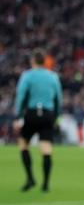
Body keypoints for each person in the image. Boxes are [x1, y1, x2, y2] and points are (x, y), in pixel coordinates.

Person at [13, 49, 63, 193]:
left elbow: (21, 96)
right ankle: (45, 184)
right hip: (48, 114)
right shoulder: (53, 76)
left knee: (23, 143)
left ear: (33, 61)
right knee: (46, 148)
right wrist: (56, 116)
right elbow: (58, 98)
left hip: (32, 113)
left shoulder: (27, 76)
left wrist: (18, 116)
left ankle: (30, 178)